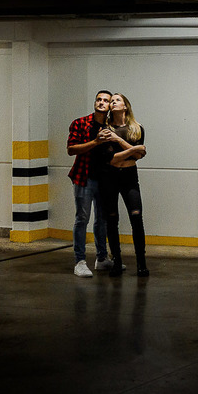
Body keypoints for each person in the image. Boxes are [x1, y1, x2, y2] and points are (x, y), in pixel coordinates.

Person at [97, 92, 149, 277]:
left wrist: (119, 141)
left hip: (129, 177)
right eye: (111, 101)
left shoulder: (136, 128)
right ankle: (117, 261)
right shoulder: (105, 129)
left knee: (136, 217)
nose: (113, 103)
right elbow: (112, 159)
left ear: (125, 106)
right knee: (112, 219)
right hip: (110, 177)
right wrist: (134, 148)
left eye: (117, 100)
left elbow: (138, 157)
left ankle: (141, 263)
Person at [65, 90, 114, 278]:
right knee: (82, 219)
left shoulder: (111, 126)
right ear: (95, 102)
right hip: (84, 177)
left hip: (104, 179)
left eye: (106, 101)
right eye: (99, 99)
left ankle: (102, 258)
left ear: (110, 105)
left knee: (102, 220)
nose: (101, 103)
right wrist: (95, 141)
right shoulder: (80, 123)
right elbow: (71, 149)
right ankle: (80, 261)